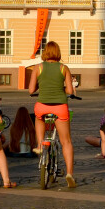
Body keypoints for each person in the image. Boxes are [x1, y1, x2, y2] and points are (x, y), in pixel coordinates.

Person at [27, 41, 77, 187]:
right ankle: (69, 174)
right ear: (58, 52)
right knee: (66, 141)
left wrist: (40, 85)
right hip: (60, 107)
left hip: (42, 105)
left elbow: (31, 90)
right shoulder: (64, 68)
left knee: (38, 117)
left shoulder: (38, 67)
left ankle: (40, 144)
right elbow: (69, 91)